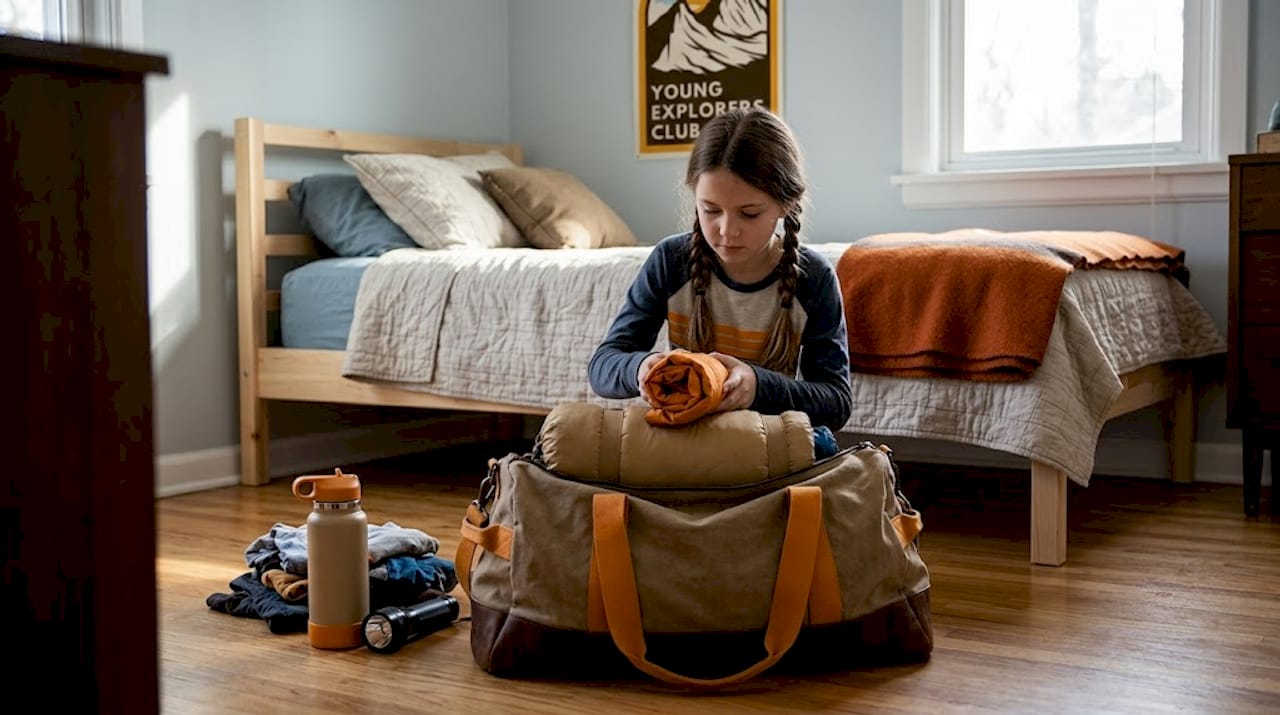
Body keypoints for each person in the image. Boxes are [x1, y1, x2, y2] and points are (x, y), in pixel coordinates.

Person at [587, 107, 852, 442]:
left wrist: (757, 386)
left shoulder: (813, 277)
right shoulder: (671, 261)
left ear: (786, 205)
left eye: (749, 213)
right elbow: (602, 366)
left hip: (768, 444)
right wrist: (643, 367)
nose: (727, 231)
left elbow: (836, 402)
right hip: (687, 439)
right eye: (710, 210)